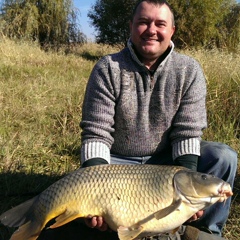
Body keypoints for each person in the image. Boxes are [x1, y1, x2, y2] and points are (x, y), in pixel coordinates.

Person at [80, 0, 238, 239]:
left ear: (171, 30)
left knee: (223, 157)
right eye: (143, 22)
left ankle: (207, 230)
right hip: (118, 164)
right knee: (83, 191)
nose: (151, 30)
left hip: (168, 160)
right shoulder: (107, 68)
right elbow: (96, 133)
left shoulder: (189, 70)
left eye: (160, 24)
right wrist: (93, 185)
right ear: (132, 26)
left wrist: (186, 192)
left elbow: (187, 133)